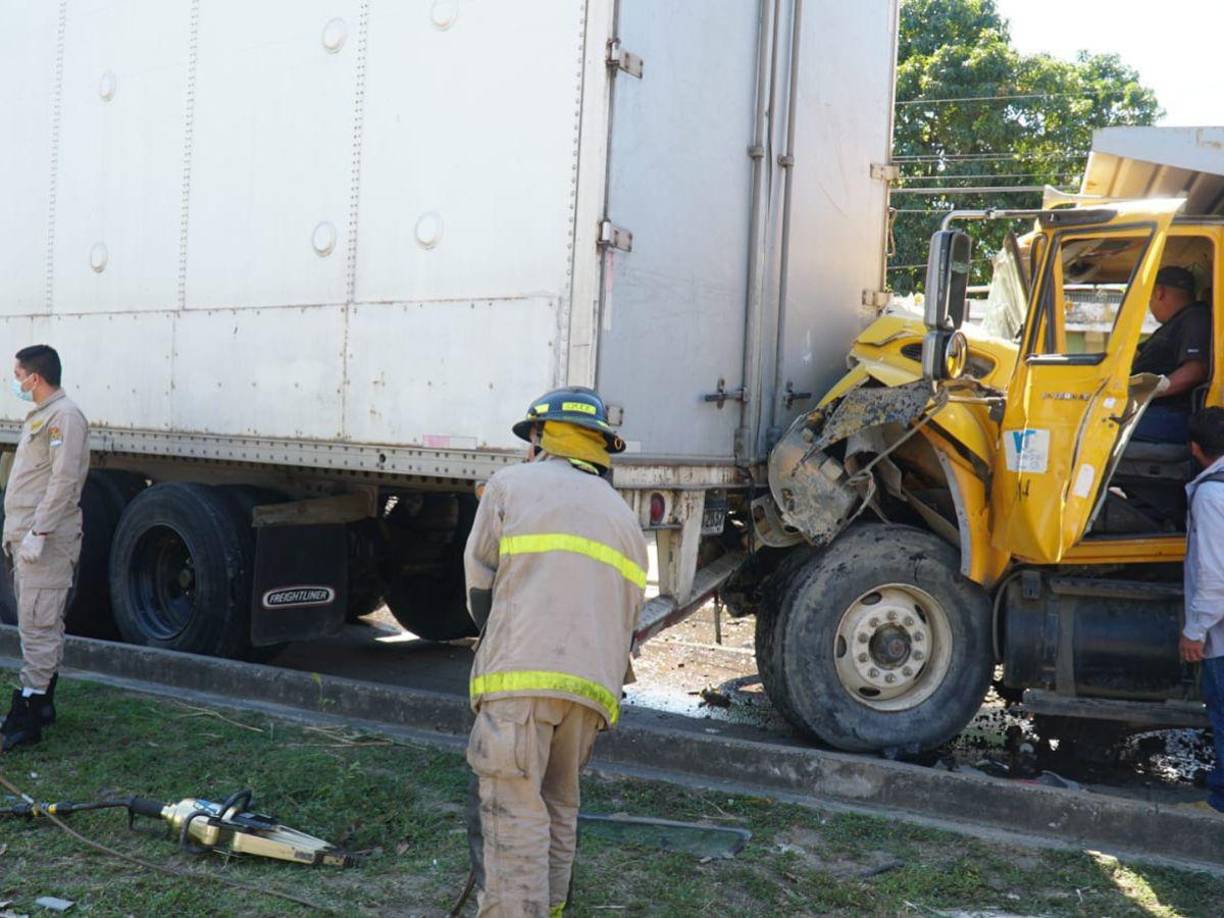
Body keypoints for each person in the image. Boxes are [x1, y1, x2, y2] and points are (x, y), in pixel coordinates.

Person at [462, 386, 648, 916]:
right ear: (597, 447)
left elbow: (480, 589)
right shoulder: (624, 518)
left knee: (514, 810)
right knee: (558, 805)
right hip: (591, 695)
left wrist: (496, 646)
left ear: (540, 437)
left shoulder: (509, 486)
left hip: (520, 681)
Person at [0, 345, 90, 752]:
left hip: (45, 541)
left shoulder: (64, 418)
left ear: (35, 378)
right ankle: (43, 703)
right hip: (27, 536)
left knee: (38, 624)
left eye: (18, 375)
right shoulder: (43, 415)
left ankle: (27, 716)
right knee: (39, 622)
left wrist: (39, 532)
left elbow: (64, 482)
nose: (15, 381)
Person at [1180, 407, 1224, 813]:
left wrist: (1195, 631)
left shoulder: (1211, 495)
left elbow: (1213, 575)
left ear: (1195, 449)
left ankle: (1219, 804)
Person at [1132, 266, 1211, 443]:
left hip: (1170, 414)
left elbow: (1195, 370)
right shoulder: (1174, 324)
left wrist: (1148, 391)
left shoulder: (1195, 317)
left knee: (1094, 427)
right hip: (1156, 411)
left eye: (1149, 297)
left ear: (1159, 292)